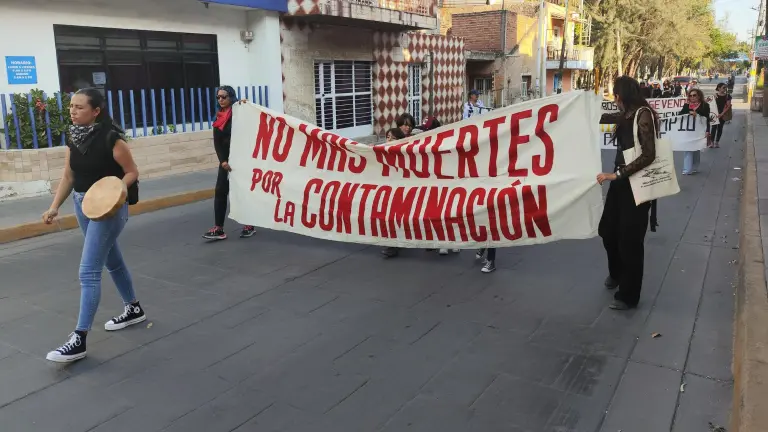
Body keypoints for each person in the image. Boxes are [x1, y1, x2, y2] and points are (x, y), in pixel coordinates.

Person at [41, 88, 145, 362]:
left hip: (109, 208)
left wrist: (116, 190)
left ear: (96, 111)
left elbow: (132, 171)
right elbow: (69, 175)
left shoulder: (113, 139)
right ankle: (134, 309)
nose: (73, 111)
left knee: (88, 271)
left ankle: (79, 338)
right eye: (71, 107)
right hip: (81, 204)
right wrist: (54, 206)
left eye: (79, 107)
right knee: (113, 261)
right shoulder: (73, 138)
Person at [596, 76, 659, 310]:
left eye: (615, 94)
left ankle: (629, 295)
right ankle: (617, 273)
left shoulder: (643, 114)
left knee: (630, 241)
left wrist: (617, 175)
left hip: (636, 184)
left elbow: (648, 154)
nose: (614, 99)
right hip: (620, 182)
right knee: (607, 231)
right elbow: (603, 117)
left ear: (621, 95)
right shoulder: (626, 114)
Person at [203, 86, 255, 240]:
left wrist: (246, 106)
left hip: (241, 160)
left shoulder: (240, 113)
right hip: (226, 162)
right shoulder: (219, 117)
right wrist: (223, 161)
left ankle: (249, 225)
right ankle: (218, 228)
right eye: (218, 97)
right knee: (220, 191)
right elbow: (217, 142)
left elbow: (253, 124)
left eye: (224, 97)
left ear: (232, 97)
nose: (220, 100)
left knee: (242, 192)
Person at [381, 127, 408, 259]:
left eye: (393, 138)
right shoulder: (381, 152)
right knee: (390, 218)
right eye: (387, 137)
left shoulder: (406, 154)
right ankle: (392, 245)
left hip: (402, 191)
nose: (389, 140)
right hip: (388, 192)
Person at [679, 88, 710, 174]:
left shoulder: (705, 105)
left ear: (699, 96)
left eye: (694, 95)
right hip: (688, 131)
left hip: (699, 131)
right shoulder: (686, 105)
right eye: (690, 95)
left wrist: (707, 131)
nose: (692, 97)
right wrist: (688, 112)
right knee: (688, 148)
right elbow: (680, 115)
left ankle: (694, 167)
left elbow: (706, 119)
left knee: (696, 148)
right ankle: (687, 169)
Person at [711, 83, 732, 148]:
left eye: (725, 87)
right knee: (713, 128)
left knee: (720, 128)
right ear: (719, 88)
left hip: (723, 114)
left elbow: (728, 106)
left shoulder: (728, 96)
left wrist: (722, 114)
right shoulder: (715, 95)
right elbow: (710, 103)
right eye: (723, 87)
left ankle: (717, 142)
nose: (725, 89)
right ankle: (711, 142)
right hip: (715, 114)